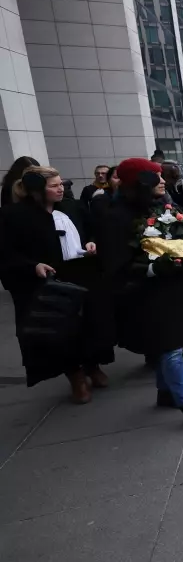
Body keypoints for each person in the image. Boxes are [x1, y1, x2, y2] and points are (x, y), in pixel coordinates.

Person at [99, 158, 183, 426]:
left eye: (162, 176)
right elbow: (115, 262)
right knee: (171, 345)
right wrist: (154, 269)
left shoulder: (168, 206)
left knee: (175, 341)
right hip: (148, 292)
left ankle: (165, 392)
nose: (162, 181)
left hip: (179, 286)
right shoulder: (116, 216)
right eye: (155, 177)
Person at [0, 166, 115, 403]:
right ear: (36, 191)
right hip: (49, 281)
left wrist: (92, 242)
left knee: (91, 325)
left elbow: (91, 228)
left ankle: (92, 366)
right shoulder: (13, 216)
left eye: (61, 183)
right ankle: (76, 377)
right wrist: (32, 266)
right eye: (54, 185)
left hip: (82, 273)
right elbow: (6, 253)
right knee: (63, 333)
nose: (61, 188)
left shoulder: (72, 207)